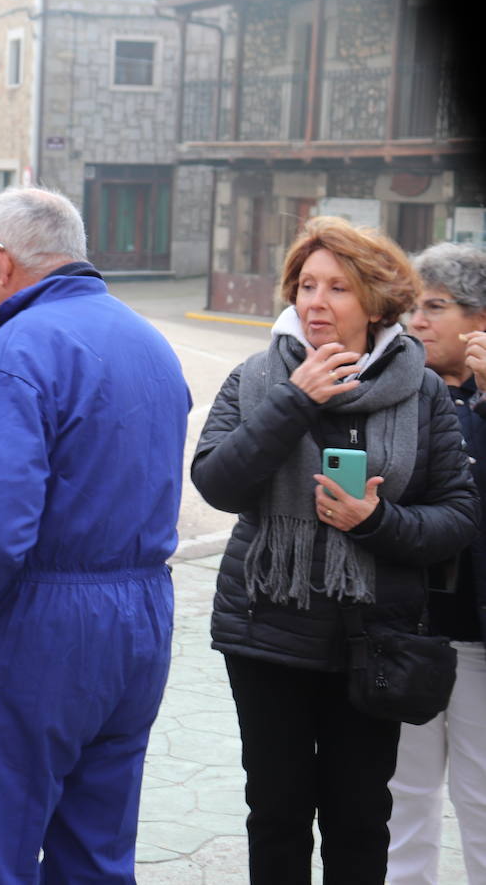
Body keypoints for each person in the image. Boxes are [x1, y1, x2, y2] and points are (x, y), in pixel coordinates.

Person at [0, 188, 190, 883]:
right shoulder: (147, 342)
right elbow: (94, 471)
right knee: (95, 849)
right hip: (139, 622)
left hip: (37, 629)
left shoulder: (20, 347)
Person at [192, 216, 478, 883]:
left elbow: (456, 518)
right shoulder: (258, 378)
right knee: (277, 815)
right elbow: (217, 481)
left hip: (373, 638)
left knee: (358, 821)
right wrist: (295, 400)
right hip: (267, 631)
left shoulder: (423, 392)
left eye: (337, 288)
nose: (315, 303)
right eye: (305, 286)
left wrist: (375, 521)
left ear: (375, 300)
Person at [389, 242, 486, 883]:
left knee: (482, 801)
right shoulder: (400, 392)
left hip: (480, 639)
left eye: (436, 307)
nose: (417, 321)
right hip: (409, 628)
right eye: (412, 308)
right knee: (403, 803)